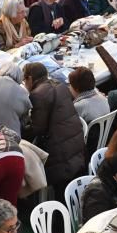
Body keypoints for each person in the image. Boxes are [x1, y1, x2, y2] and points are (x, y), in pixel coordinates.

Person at [23, 62, 87, 192]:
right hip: (77, 146)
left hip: (61, 156)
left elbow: (37, 128)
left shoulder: (37, 95)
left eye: (25, 80)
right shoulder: (60, 86)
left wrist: (21, 130)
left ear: (30, 78)